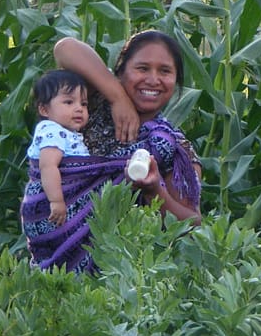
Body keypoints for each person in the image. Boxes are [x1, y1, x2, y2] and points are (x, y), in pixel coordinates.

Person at [21, 31, 202, 273]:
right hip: (51, 267)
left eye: (165, 71)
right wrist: (118, 98)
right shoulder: (88, 104)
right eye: (142, 68)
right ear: (119, 73)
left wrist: (154, 190)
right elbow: (65, 48)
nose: (153, 79)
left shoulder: (173, 147)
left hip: (116, 280)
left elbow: (192, 223)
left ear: (176, 80)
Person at [26, 70, 91, 226]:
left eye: (83, 104)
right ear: (44, 110)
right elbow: (48, 166)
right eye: (69, 102)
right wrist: (56, 201)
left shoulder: (66, 133)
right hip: (54, 206)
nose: (79, 109)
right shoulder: (52, 131)